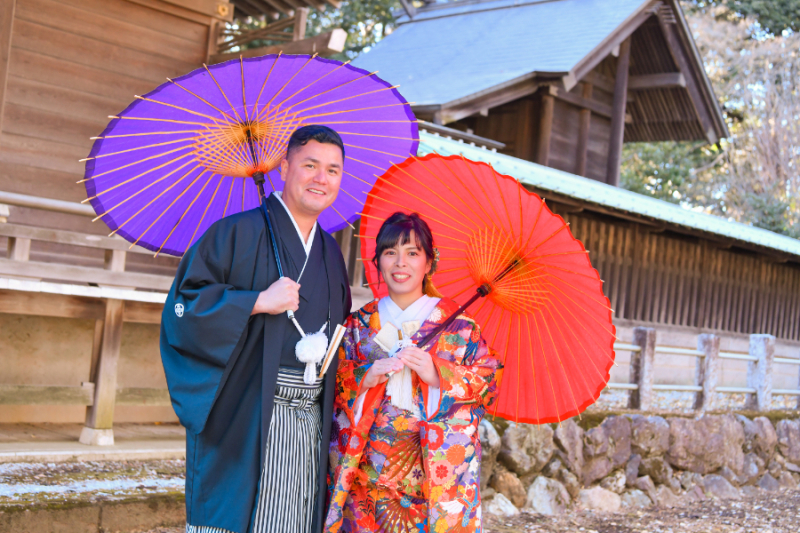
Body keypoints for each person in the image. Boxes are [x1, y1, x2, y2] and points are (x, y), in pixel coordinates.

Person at [160, 125, 352, 533]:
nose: (321, 178)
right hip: (247, 413)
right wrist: (255, 301)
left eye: (333, 170)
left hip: (309, 421)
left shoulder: (331, 254)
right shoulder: (234, 233)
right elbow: (183, 307)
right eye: (310, 165)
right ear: (284, 167)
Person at [325, 212, 503, 533]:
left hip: (430, 476)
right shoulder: (359, 324)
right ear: (377, 262)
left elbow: (488, 381)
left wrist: (438, 374)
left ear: (429, 262)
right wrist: (365, 377)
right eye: (390, 252)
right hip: (367, 474)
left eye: (412, 253)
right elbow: (332, 380)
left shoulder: (458, 326)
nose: (400, 263)